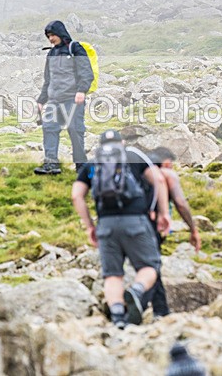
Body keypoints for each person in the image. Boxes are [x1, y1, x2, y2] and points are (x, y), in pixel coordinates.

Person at [72, 130, 171, 329]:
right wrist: (162, 213)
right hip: (136, 220)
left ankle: (118, 318)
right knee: (149, 266)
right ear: (122, 142)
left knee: (113, 275)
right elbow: (159, 180)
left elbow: (76, 196)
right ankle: (136, 290)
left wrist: (90, 225)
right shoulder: (134, 156)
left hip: (106, 224)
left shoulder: (92, 165)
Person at [147, 146, 201, 318]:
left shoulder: (135, 171)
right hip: (150, 227)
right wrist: (193, 229)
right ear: (167, 162)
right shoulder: (165, 174)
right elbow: (181, 203)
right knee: (152, 267)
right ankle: (160, 311)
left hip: (121, 223)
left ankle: (119, 307)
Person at [35, 20, 94, 175]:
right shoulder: (51, 53)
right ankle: (51, 164)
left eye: (53, 34)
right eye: (48, 36)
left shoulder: (75, 48)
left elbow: (86, 72)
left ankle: (81, 166)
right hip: (54, 100)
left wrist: (82, 91)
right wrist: (41, 100)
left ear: (61, 33)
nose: (51, 38)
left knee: (75, 130)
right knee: (49, 128)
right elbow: (48, 80)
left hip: (73, 99)